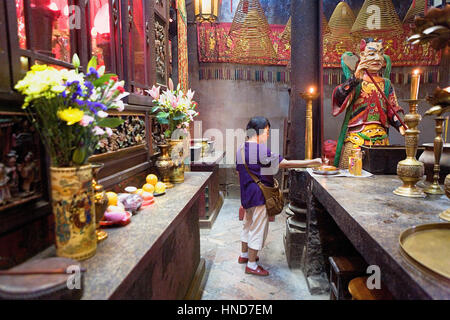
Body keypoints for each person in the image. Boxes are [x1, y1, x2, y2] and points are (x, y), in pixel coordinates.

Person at [236, 117, 321, 276]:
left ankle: (244, 255)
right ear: (259, 131)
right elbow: (285, 164)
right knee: (258, 229)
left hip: (246, 195)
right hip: (260, 196)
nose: (267, 136)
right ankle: (252, 265)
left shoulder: (240, 149)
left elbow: (238, 172)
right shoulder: (261, 150)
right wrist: (312, 162)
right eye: (267, 132)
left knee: (247, 224)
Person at [332, 39, 406, 169]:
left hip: (381, 140)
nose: (378, 58)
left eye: (380, 53)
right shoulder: (356, 82)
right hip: (357, 140)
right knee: (353, 178)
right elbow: (339, 98)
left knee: (379, 178)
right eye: (372, 54)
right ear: (362, 56)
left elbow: (392, 107)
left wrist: (402, 124)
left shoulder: (386, 84)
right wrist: (354, 79)